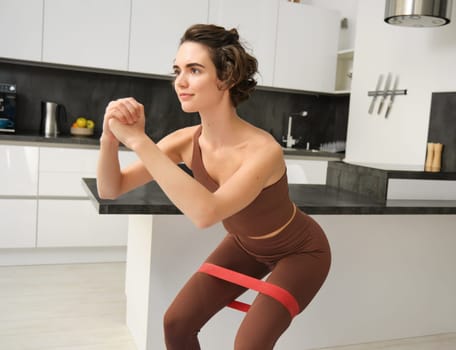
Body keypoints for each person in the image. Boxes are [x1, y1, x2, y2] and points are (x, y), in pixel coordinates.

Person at [97, 23, 331, 350]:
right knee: (176, 323)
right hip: (246, 245)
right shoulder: (183, 141)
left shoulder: (262, 150)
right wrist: (109, 137)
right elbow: (111, 188)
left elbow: (206, 213)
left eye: (194, 70)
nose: (180, 81)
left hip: (301, 252)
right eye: (177, 70)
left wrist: (139, 141)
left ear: (227, 77)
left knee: (249, 344)